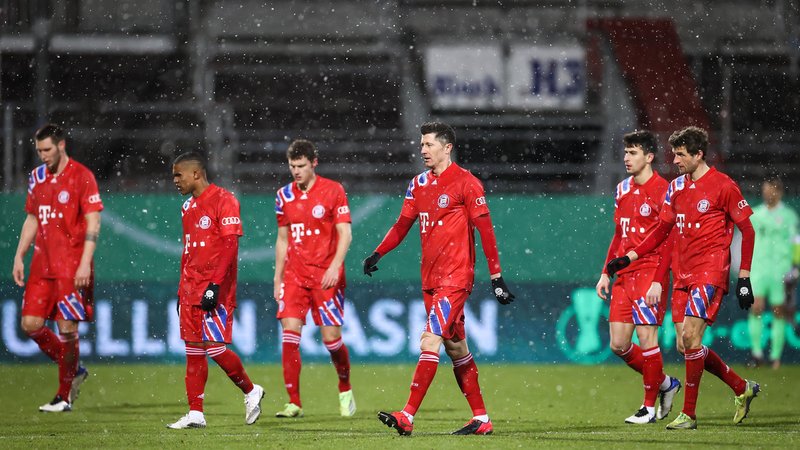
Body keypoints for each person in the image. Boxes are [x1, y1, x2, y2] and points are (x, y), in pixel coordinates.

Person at [364, 121, 515, 436]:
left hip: (455, 279)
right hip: (430, 280)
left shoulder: (467, 183)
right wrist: (378, 253)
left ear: (447, 147)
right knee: (456, 349)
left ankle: (407, 415)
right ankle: (482, 419)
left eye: (429, 144)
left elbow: (486, 232)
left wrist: (497, 278)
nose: (423, 150)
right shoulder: (417, 184)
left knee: (429, 341)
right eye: (421, 145)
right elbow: (402, 224)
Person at [607, 126, 759, 430]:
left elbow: (748, 230)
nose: (675, 160)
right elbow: (661, 231)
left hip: (710, 269)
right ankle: (741, 387)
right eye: (674, 153)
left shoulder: (723, 186)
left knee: (691, 338)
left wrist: (744, 277)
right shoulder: (676, 188)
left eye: (680, 154)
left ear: (698, 154)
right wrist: (630, 256)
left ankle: (688, 414)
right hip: (682, 273)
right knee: (685, 345)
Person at [167, 152, 264, 429]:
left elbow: (230, 246)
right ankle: (196, 413)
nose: (175, 181)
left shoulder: (225, 200)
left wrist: (215, 285)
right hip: (189, 287)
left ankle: (251, 391)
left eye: (178, 175)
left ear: (196, 174)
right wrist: (181, 289)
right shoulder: (187, 207)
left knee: (216, 348)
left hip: (215, 288)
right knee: (193, 350)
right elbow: (187, 250)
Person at [12, 123, 101, 412]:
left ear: (61, 145)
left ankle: (64, 396)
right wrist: (19, 255)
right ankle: (73, 369)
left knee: (67, 328)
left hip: (72, 266)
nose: (42, 156)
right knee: (31, 325)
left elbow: (93, 222)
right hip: (41, 265)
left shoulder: (82, 176)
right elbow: (32, 218)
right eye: (38, 151)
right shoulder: (36, 177)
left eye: (47, 149)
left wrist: (85, 261)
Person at [595, 130, 681, 425]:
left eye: (633, 153)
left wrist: (659, 278)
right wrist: (606, 271)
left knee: (647, 338)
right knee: (618, 345)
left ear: (649, 156)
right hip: (624, 275)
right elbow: (618, 235)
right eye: (626, 152)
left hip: (649, 272)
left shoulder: (665, 190)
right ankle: (666, 383)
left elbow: (668, 239)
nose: (626, 158)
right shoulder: (621, 190)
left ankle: (647, 407)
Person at [272, 139, 355, 418]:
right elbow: (282, 239)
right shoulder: (283, 196)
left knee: (331, 339)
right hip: (295, 276)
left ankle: (345, 387)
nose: (296, 171)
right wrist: (278, 277)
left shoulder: (333, 191)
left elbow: (345, 233)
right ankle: (293, 402)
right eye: (292, 166)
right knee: (290, 335)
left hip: (326, 277)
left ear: (313, 163)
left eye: (301, 166)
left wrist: (335, 266)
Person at [748, 178, 800, 369]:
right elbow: (746, 240)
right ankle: (756, 354)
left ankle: (776, 358)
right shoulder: (756, 215)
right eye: (764, 190)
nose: (766, 194)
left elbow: (797, 242)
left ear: (778, 193)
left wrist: (796, 266)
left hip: (781, 270)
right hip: (759, 269)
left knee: (779, 312)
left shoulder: (789, 216)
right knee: (756, 307)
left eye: (770, 191)